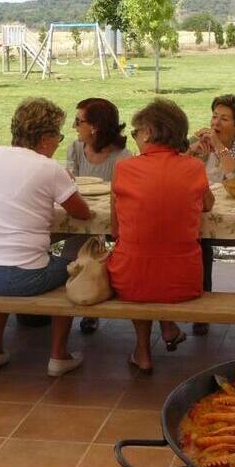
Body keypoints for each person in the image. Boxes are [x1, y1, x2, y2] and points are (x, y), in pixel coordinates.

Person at [0, 97, 91, 377]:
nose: (58, 142)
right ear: (44, 138)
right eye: (58, 136)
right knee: (77, 248)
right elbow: (82, 214)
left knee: (2, 258)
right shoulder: (49, 168)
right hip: (22, 277)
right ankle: (58, 355)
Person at [107, 98, 214, 373]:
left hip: (131, 279)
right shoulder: (193, 167)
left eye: (135, 132)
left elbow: (115, 230)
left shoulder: (124, 168)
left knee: (140, 262)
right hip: (183, 279)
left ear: (148, 133)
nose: (135, 138)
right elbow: (208, 205)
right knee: (156, 261)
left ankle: (142, 350)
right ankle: (167, 327)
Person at [186, 94, 235, 335]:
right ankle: (198, 307)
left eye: (224, 119)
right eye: (214, 116)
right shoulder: (196, 141)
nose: (216, 122)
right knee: (198, 244)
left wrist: (220, 148)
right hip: (198, 206)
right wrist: (190, 151)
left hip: (230, 209)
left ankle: (203, 308)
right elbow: (172, 169)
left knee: (202, 244)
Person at [63, 97, 132, 334]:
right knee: (72, 249)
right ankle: (76, 297)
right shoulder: (75, 148)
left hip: (111, 216)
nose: (74, 126)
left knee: (92, 247)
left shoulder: (122, 156)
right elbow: (69, 183)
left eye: (78, 121)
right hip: (80, 211)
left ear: (95, 127)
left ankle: (92, 294)